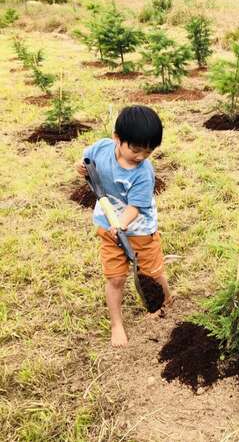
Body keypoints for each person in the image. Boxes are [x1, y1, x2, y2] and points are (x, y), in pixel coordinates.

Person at [76, 105, 172, 347]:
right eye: (136, 149)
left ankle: (165, 300)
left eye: (148, 152)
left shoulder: (143, 173)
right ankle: (117, 325)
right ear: (117, 139)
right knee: (115, 278)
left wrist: (121, 225)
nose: (140, 156)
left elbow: (135, 208)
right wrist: (80, 167)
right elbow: (86, 160)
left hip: (140, 230)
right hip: (108, 228)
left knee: (152, 273)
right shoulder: (101, 149)